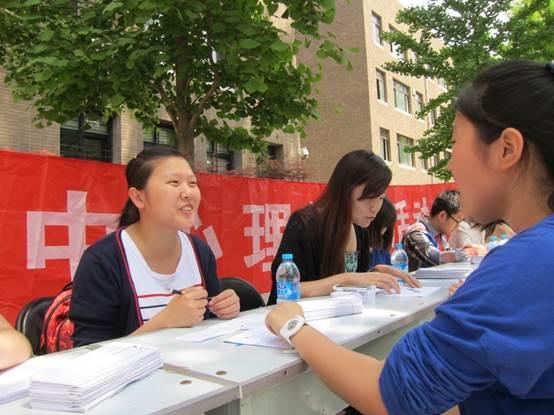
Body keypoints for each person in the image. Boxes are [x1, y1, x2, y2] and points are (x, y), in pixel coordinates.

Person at [266, 60, 554, 414]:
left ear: (507, 149)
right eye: (368, 198)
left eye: (454, 142)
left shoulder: (529, 263)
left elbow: (394, 396)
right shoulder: (307, 224)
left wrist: (294, 328)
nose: (450, 164)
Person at [70, 147, 240, 347]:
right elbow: (89, 353)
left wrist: (224, 308)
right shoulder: (103, 260)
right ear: (138, 198)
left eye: (192, 183)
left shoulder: (199, 251)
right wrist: (164, 321)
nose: (188, 193)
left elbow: (208, 320)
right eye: (174, 182)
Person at [267, 150, 419, 305]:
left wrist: (374, 274)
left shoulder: (361, 229)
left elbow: (352, 283)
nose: (375, 208)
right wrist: (347, 279)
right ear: (344, 191)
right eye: (368, 198)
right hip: (295, 316)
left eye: (380, 198)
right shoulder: (304, 224)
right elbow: (284, 290)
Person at [402, 189, 469, 271]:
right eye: (458, 221)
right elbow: (434, 257)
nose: (458, 226)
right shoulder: (416, 232)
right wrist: (467, 253)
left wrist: (463, 251)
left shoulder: (440, 235)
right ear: (442, 216)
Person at [367, 197, 396, 269]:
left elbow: (390, 269)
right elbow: (350, 273)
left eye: (387, 226)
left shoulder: (381, 247)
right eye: (384, 226)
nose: (384, 231)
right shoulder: (353, 242)